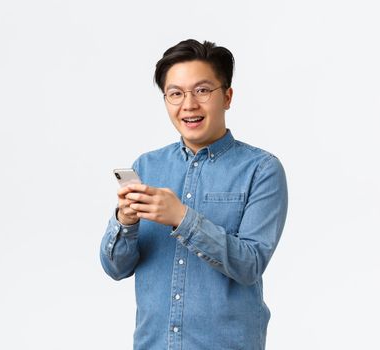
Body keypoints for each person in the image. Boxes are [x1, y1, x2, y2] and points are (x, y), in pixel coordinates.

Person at [100, 39, 288, 350]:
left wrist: (182, 218)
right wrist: (125, 221)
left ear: (227, 97)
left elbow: (250, 264)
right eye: (175, 93)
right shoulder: (147, 165)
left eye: (202, 90)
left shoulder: (262, 170)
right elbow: (116, 268)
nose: (188, 104)